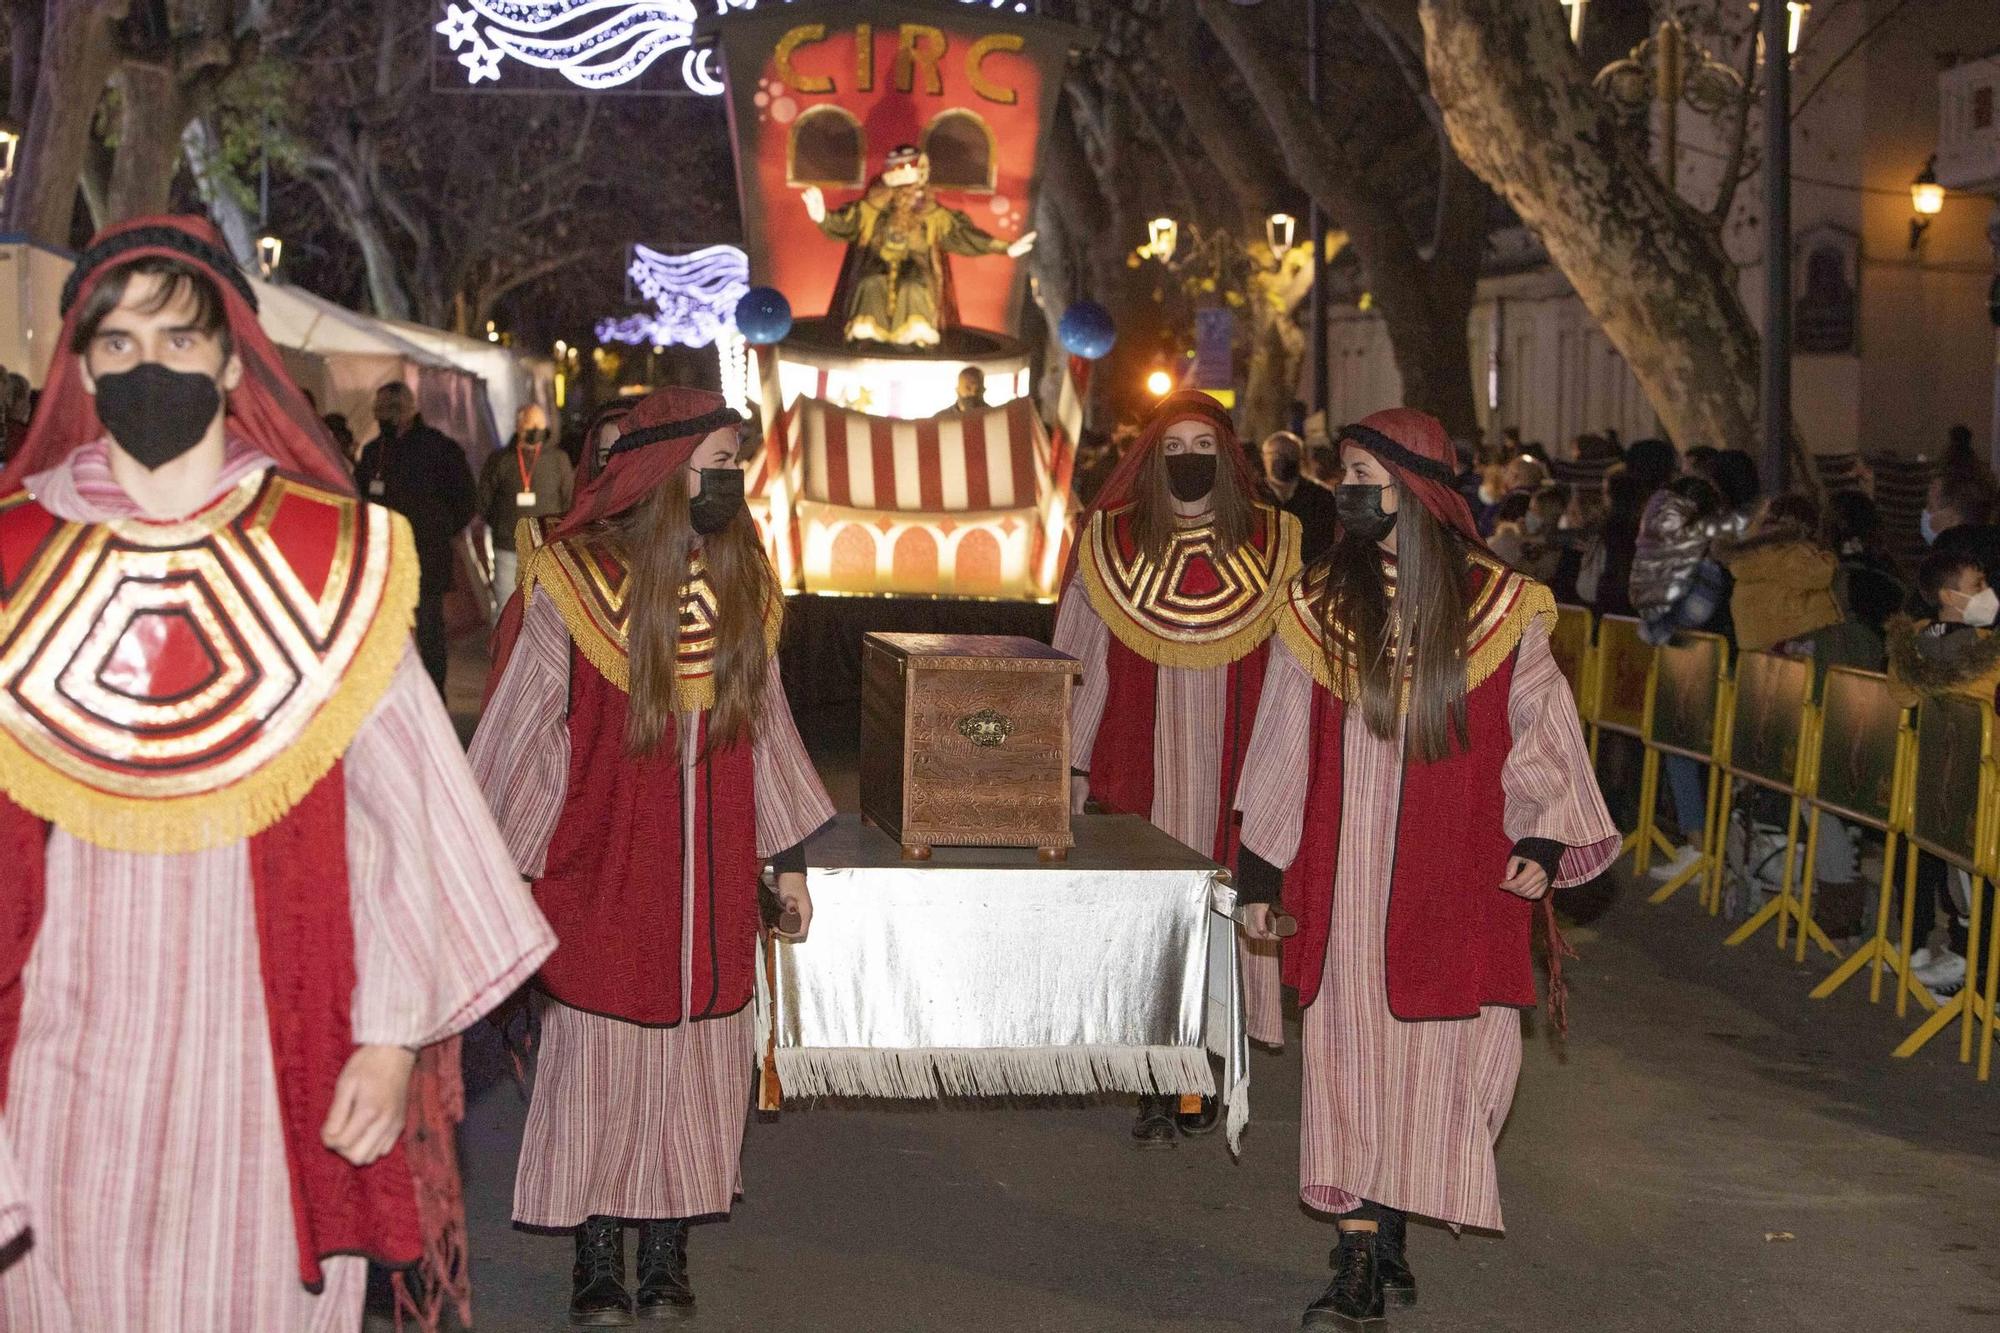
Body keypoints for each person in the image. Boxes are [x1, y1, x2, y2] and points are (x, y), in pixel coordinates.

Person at [0, 215, 554, 1330]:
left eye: (175, 337)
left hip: (264, 1054)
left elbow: (407, 826)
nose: (144, 365)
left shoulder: (332, 558)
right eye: (113, 344)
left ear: (230, 357)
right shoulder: (14, 560)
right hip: (58, 1056)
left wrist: (393, 1038)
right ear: (78, 366)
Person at [1231, 407, 1617, 1331]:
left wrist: (1544, 838)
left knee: (1453, 1068)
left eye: (1363, 470)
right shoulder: (1316, 602)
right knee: (1351, 1064)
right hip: (1345, 880)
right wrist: (1258, 872)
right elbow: (1283, 739)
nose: (1347, 488)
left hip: (1460, 879)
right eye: (1344, 471)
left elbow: (1543, 727)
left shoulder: (1502, 604)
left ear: (1416, 483)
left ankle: (1393, 1209)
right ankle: (1358, 1250)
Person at [472, 386, 833, 1326]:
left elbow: (772, 728)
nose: (729, 482)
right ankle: (597, 1255)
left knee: (696, 1070)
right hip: (605, 869)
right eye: (715, 464)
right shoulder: (570, 583)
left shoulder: (746, 585)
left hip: (713, 879)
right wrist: (507, 874)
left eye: (735, 466)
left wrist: (785, 859)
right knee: (597, 1063)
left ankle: (667, 1251)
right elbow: (524, 734)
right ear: (664, 474)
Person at [1053, 390, 1303, 1144]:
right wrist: (1068, 764)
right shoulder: (1108, 544)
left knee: (1223, 919)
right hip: (1139, 770)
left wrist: (1296, 767)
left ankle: (1203, 1064)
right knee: (1150, 927)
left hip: (1241, 769)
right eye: (1175, 447)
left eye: (1204, 446)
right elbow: (1077, 661)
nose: (1189, 460)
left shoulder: (1278, 543)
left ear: (1228, 459)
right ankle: (1153, 1077)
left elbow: (1300, 667)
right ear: (1152, 457)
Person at [1888, 548, 2000, 1000]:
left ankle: (1966, 966)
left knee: (1962, 875)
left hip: (1942, 785)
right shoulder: (1985, 652)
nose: (1988, 593)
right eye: (1977, 585)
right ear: (1948, 596)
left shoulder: (1916, 644)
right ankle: (1978, 978)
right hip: (1982, 781)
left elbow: (1903, 695)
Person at [802, 145, 1034, 347]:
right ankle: (867, 323)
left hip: (917, 266)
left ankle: (917, 327)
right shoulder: (873, 207)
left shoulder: (931, 214)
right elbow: (848, 222)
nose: (909, 194)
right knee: (870, 282)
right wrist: (823, 216)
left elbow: (963, 234)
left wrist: (1005, 247)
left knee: (913, 286)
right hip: (876, 263)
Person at [354, 381, 476, 692]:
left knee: (430, 633)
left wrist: (442, 528)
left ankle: (433, 697)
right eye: (381, 412)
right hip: (386, 557)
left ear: (410, 411)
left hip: (427, 555)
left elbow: (465, 497)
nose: (387, 418)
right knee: (386, 632)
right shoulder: (373, 453)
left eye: (393, 411)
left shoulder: (438, 448)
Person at [478, 402, 576, 615]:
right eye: (529, 424)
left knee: (546, 613)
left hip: (546, 548)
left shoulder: (558, 460)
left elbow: (569, 501)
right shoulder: (501, 460)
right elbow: (484, 501)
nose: (534, 431)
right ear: (518, 426)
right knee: (507, 611)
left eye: (538, 425)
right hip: (508, 549)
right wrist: (503, 528)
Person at [1262, 429, 1340, 564]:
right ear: (1264, 457)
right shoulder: (1252, 496)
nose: (1283, 459)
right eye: (1276, 454)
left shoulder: (1320, 497)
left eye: (1290, 454)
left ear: (1300, 458)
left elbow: (1327, 543)